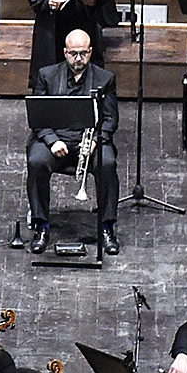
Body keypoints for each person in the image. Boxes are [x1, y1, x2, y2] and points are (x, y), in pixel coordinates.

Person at [26, 30, 120, 254]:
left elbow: (110, 119)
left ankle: (107, 228)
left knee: (107, 165)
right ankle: (41, 226)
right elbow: (37, 117)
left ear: (90, 52)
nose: (78, 58)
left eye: (83, 53)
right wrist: (51, 141)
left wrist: (97, 141)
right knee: (36, 161)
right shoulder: (46, 75)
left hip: (89, 141)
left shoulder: (105, 79)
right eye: (73, 54)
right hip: (56, 138)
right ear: (65, 52)